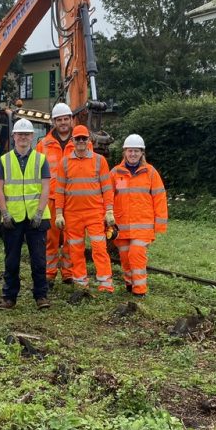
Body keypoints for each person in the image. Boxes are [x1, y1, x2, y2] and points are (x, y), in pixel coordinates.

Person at [53, 124, 115, 301]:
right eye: (78, 138)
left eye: (84, 138)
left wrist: (109, 210)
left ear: (90, 141)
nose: (81, 142)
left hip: (95, 213)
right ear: (72, 141)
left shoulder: (99, 161)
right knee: (75, 249)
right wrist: (59, 213)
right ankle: (81, 281)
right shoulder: (64, 162)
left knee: (99, 248)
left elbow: (107, 188)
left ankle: (105, 282)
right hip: (72, 215)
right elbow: (59, 190)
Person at [0, 118, 51, 310]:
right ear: (14, 137)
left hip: (37, 217)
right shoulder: (4, 160)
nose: (23, 138)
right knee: (11, 259)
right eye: (20, 134)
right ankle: (9, 297)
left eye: (26, 134)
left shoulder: (41, 159)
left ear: (32, 137)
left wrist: (39, 213)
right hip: (13, 217)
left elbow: (45, 189)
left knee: (39, 259)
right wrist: (5, 213)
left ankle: (41, 296)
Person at [36, 102, 91, 289]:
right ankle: (49, 273)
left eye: (66, 119)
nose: (63, 123)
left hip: (73, 199)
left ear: (71, 119)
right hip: (51, 198)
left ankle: (68, 272)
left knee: (72, 239)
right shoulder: (43, 144)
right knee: (50, 239)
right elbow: (36, 172)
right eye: (59, 120)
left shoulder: (81, 141)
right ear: (54, 122)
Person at [112, 134, 168, 298]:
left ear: (142, 153)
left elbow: (159, 198)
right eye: (130, 151)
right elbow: (107, 198)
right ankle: (130, 283)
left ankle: (139, 290)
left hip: (143, 226)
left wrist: (160, 224)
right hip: (121, 226)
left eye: (136, 151)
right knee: (125, 257)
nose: (133, 154)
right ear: (125, 152)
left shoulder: (150, 172)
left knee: (136, 255)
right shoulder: (115, 173)